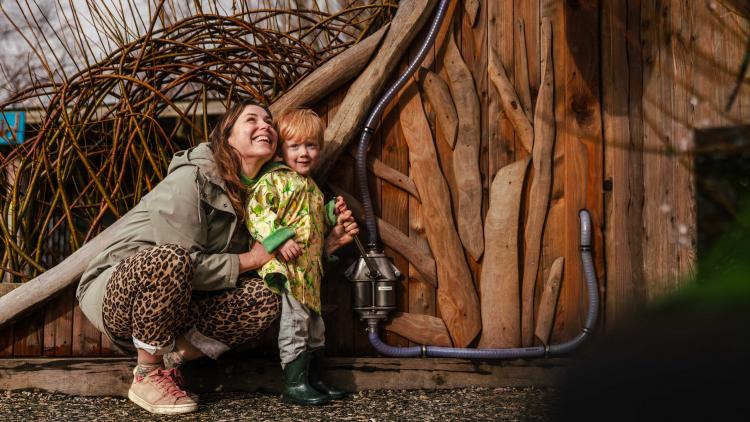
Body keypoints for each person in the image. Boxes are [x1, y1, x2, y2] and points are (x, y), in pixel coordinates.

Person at [76, 101, 359, 415]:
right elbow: (183, 265)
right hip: (118, 295)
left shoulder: (262, 192)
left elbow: (267, 262)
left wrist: (325, 247)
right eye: (251, 120)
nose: (265, 125)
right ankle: (147, 374)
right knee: (171, 260)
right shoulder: (190, 181)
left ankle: (171, 361)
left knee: (267, 295)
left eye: (269, 121)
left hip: (179, 305)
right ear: (226, 137)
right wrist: (250, 259)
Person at [243, 108, 348, 405]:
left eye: (311, 146)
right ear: (281, 150)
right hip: (288, 270)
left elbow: (313, 223)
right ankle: (294, 383)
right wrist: (279, 239)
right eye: (295, 146)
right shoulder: (274, 180)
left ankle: (314, 379)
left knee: (316, 327)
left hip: (309, 272)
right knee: (296, 325)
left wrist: (330, 214)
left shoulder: (312, 188)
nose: (304, 153)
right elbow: (257, 213)